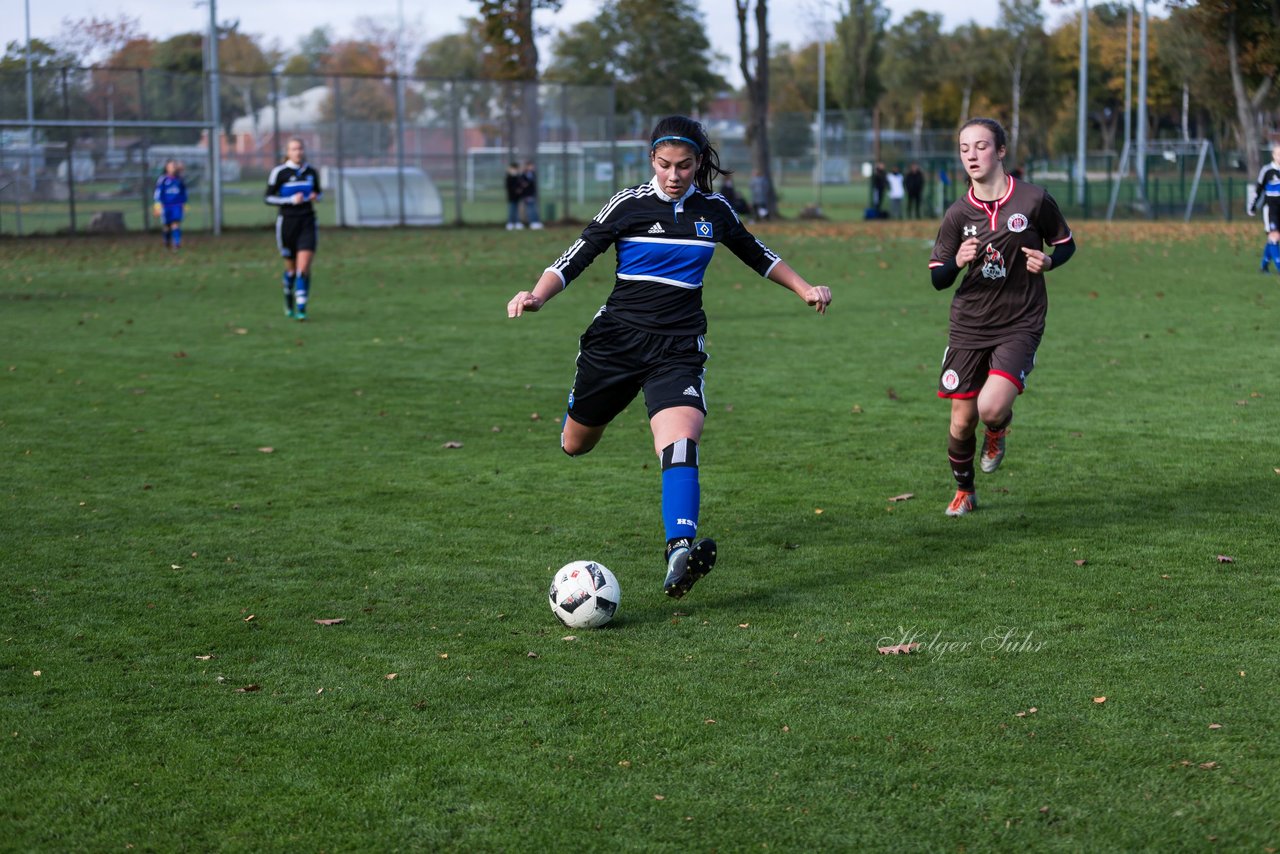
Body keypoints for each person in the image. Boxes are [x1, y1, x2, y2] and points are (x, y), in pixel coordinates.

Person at [507, 115, 832, 598]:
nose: (674, 175)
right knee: (576, 444)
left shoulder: (714, 210)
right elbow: (574, 257)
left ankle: (679, 549)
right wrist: (536, 295)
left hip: (677, 347)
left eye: (683, 165)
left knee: (681, 442)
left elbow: (757, 253)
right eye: (664, 165)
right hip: (615, 343)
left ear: (698, 163)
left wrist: (805, 288)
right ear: (652, 161)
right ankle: (581, 413)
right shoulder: (627, 205)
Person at [927, 118, 1076, 517]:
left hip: (1020, 320)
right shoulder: (958, 213)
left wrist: (1050, 261)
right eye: (964, 148)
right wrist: (955, 262)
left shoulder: (1032, 200)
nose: (972, 155)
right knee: (960, 423)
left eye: (981, 146)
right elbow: (938, 278)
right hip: (969, 323)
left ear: (1001, 151)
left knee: (990, 408)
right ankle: (964, 490)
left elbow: (1066, 243)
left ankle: (997, 430)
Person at [265, 138, 322, 320]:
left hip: (307, 221)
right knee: (290, 270)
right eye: (293, 149)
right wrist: (289, 200)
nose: (297, 152)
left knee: (303, 267)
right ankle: (288, 296)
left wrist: (315, 196)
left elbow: (318, 192)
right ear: (288, 152)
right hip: (287, 224)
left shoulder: (311, 171)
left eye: (300, 148)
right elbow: (268, 198)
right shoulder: (279, 172)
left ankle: (301, 306)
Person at [1248, 143, 1280, 272]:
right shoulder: (1267, 170)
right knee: (1274, 236)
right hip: (1270, 209)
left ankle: (1263, 266)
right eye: (1278, 154)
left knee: (1274, 238)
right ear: (1273, 155)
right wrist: (1253, 205)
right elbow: (1258, 189)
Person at [153, 159, 187, 251]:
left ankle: (177, 244)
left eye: (174, 166)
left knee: (175, 224)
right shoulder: (163, 179)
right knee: (166, 226)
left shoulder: (179, 179)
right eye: (170, 166)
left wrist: (184, 204)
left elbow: (183, 192)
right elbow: (158, 193)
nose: (172, 168)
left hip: (177, 205)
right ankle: (166, 243)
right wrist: (157, 206)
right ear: (166, 168)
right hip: (166, 206)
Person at [521, 160, 543, 230]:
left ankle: (536, 222)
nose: (533, 167)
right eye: (531, 166)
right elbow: (523, 185)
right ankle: (532, 223)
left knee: (534, 209)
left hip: (532, 194)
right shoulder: (524, 175)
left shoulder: (533, 174)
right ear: (527, 167)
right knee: (530, 209)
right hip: (527, 195)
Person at [505, 162, 526, 230]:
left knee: (517, 210)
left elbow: (521, 185)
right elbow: (509, 187)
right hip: (512, 197)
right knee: (512, 210)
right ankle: (510, 223)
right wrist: (515, 190)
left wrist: (520, 189)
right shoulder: (509, 177)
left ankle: (517, 222)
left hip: (517, 197)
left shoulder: (518, 177)